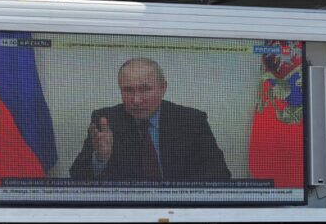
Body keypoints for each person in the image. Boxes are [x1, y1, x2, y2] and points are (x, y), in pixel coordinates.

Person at [70, 57, 231, 182]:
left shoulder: (191, 121)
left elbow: (220, 175)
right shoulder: (106, 121)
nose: (136, 100)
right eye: (128, 90)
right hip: (126, 212)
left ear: (163, 88)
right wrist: (100, 158)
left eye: (145, 89)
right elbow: (77, 177)